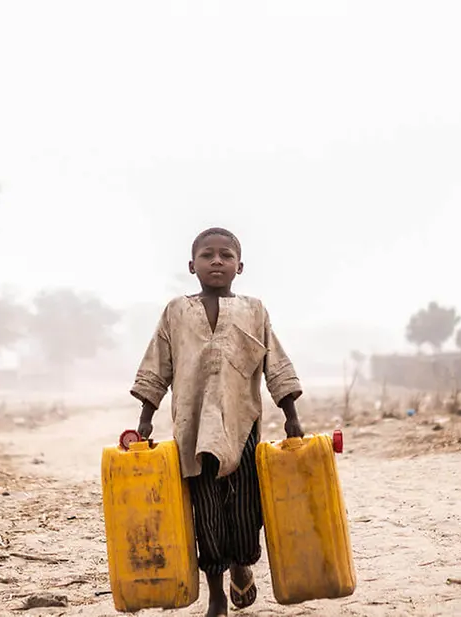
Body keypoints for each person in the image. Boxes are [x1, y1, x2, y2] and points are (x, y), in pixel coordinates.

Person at [131, 227, 305, 617]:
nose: (216, 261)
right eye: (207, 255)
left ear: (239, 267)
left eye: (225, 255)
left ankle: (242, 563)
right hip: (193, 431)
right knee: (205, 512)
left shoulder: (254, 310)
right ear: (191, 265)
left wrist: (291, 415)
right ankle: (215, 593)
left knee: (245, 507)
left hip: (241, 425)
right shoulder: (176, 311)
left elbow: (274, 363)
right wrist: (145, 419)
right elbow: (158, 365)